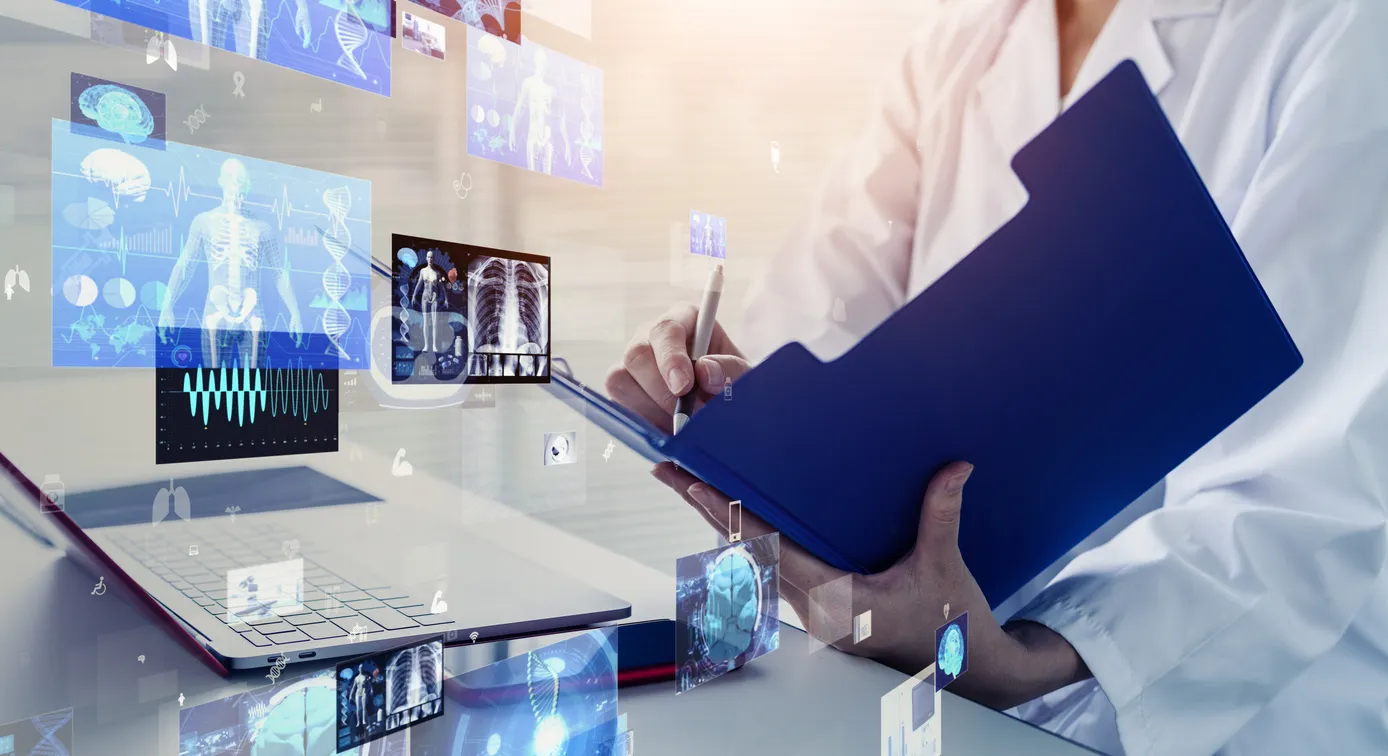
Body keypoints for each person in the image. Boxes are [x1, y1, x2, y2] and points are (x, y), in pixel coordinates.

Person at [606, 1, 1388, 754]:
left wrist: (1024, 660)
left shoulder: (1338, 33)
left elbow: (1299, 496)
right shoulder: (953, 52)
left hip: (1233, 715)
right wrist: (734, 403)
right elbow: (824, 332)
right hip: (924, 694)